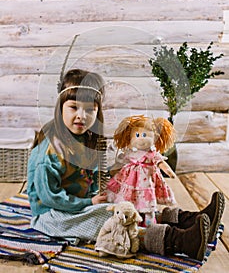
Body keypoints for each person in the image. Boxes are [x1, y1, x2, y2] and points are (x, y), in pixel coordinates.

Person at [27, 68, 225, 261]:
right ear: (60, 106)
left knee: (129, 204)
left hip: (84, 201)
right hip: (54, 214)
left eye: (90, 109)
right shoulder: (51, 150)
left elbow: (93, 176)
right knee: (115, 221)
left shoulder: (86, 138)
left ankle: (190, 220)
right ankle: (180, 241)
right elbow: (50, 197)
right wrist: (90, 203)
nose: (81, 115)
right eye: (73, 107)